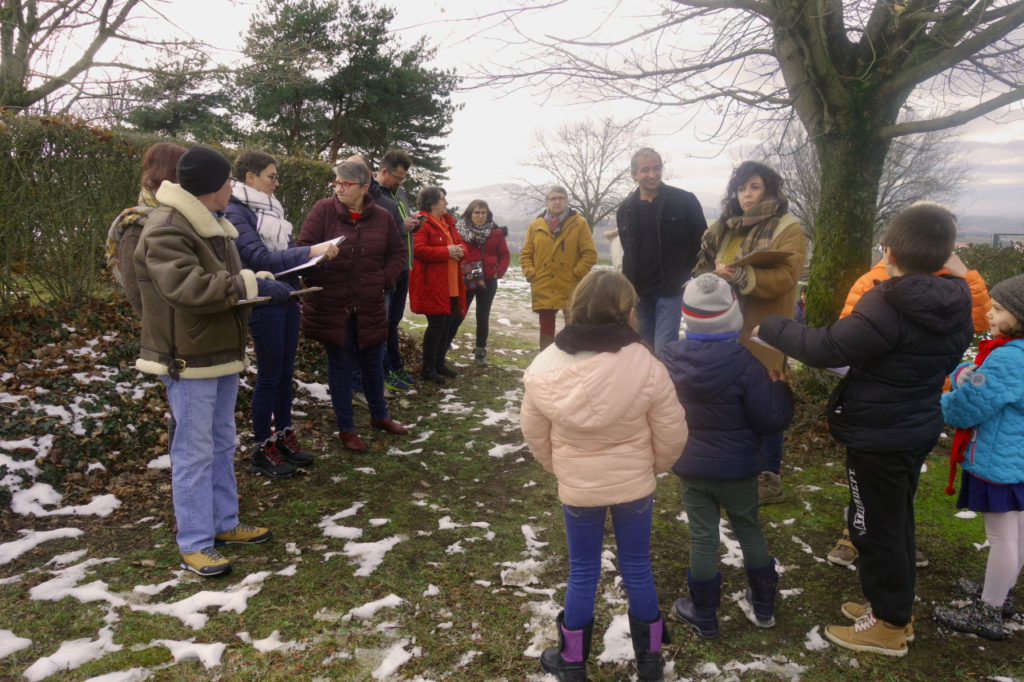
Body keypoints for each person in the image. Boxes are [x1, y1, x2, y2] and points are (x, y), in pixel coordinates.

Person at [755, 203, 974, 656]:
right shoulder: (957, 299)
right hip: (913, 425)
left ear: (888, 251)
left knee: (875, 527)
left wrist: (772, 326)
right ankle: (887, 605)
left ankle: (891, 625)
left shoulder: (888, 300)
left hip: (880, 433)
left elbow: (827, 345)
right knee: (896, 520)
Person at [520, 269, 688, 682]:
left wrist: (560, 469)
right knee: (637, 567)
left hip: (578, 486)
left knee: (582, 572)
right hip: (634, 485)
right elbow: (672, 431)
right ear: (629, 313)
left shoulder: (545, 365)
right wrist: (652, 468)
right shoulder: (646, 364)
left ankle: (572, 663)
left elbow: (534, 432)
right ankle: (650, 663)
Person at [135, 145, 290, 577]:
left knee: (221, 444)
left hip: (218, 354)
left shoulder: (211, 224)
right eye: (228, 183)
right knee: (193, 452)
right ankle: (195, 543)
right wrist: (247, 285)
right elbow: (187, 287)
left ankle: (224, 524)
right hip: (188, 358)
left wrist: (257, 281)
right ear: (213, 187)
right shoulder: (167, 226)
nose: (232, 189)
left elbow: (221, 280)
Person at [825, 244, 991, 568]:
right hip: (876, 400)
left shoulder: (955, 286)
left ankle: (898, 538)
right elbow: (847, 338)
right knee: (866, 473)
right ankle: (854, 531)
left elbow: (982, 319)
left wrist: (965, 273)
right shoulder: (873, 279)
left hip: (925, 398)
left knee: (906, 476)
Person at [661, 273, 794, 638]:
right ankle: (763, 602)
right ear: (732, 315)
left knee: (702, 538)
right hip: (738, 470)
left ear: (688, 316)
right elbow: (771, 421)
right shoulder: (746, 364)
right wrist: (781, 391)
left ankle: (703, 611)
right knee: (748, 527)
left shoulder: (670, 358)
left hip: (691, 466)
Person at [693, 161, 807, 505]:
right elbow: (702, 265)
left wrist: (739, 277)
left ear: (769, 189)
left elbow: (786, 277)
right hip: (722, 326)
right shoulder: (725, 227)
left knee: (767, 399)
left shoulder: (788, 228)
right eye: (742, 187)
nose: (747, 194)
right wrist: (711, 273)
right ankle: (740, 467)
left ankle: (770, 476)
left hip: (764, 328)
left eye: (755, 187)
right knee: (732, 400)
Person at [225, 150, 339, 478]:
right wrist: (309, 250)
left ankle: (283, 435)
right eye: (270, 176)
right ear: (250, 177)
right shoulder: (237, 211)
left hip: (288, 295)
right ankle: (262, 448)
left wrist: (314, 262)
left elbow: (285, 256)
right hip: (262, 300)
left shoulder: (273, 210)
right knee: (270, 376)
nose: (276, 182)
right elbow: (259, 258)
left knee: (285, 373)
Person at [932, 274, 1024, 640]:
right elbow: (979, 382)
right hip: (1016, 459)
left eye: (999, 309)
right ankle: (1000, 594)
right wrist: (964, 375)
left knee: (1002, 538)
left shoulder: (1008, 360)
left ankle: (988, 611)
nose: (989, 313)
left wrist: (935, 400)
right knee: (1017, 532)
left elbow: (965, 409)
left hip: (997, 460)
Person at [297, 161, 408, 452]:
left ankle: (379, 416)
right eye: (337, 183)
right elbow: (304, 247)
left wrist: (383, 279)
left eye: (347, 184)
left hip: (369, 304)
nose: (340, 188)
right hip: (333, 304)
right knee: (341, 365)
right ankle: (346, 429)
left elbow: (398, 253)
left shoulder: (383, 217)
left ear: (363, 187)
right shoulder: (323, 210)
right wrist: (320, 260)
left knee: (373, 362)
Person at [616, 148, 707, 355]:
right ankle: (649, 386)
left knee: (664, 348)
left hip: (671, 290)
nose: (652, 174)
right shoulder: (626, 209)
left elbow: (703, 245)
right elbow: (627, 252)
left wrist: (694, 277)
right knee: (643, 349)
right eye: (645, 170)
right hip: (639, 293)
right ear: (634, 174)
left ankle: (665, 386)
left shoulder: (684, 201)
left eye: (657, 168)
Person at [106, 142, 187, 317]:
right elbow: (135, 290)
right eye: (183, 172)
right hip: (166, 331)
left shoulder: (183, 216)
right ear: (170, 174)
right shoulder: (136, 226)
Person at [520, 186, 597, 349]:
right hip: (543, 282)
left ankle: (571, 361)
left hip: (570, 283)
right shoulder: (535, 225)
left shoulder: (579, 223)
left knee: (573, 326)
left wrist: (576, 273)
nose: (557, 202)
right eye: (553, 198)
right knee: (546, 328)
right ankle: (545, 362)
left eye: (561, 198)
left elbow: (590, 254)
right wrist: (531, 273)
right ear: (547, 202)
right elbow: (526, 254)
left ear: (567, 201)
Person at [409, 186, 466, 384]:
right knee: (437, 325)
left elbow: (460, 244)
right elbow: (418, 250)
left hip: (451, 282)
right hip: (432, 284)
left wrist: (459, 251)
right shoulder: (422, 223)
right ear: (432, 203)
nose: (446, 203)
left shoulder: (447, 223)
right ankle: (428, 368)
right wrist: (446, 251)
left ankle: (440, 363)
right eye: (443, 199)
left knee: (449, 323)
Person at [375, 149, 421, 390]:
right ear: (383, 171)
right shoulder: (372, 194)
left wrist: (412, 221)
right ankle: (383, 372)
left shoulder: (399, 192)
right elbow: (380, 230)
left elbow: (400, 222)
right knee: (382, 323)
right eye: (398, 177)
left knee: (393, 322)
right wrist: (403, 226)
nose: (401, 182)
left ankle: (395, 367)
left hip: (404, 266)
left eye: (404, 178)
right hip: (387, 269)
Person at [454, 199, 510, 367]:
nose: (480, 216)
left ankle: (480, 352)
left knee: (483, 316)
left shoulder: (495, 232)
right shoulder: (459, 230)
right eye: (476, 212)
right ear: (470, 213)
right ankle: (444, 344)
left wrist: (498, 271)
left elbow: (505, 255)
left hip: (488, 279)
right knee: (459, 313)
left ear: (488, 214)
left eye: (483, 212)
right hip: (468, 276)